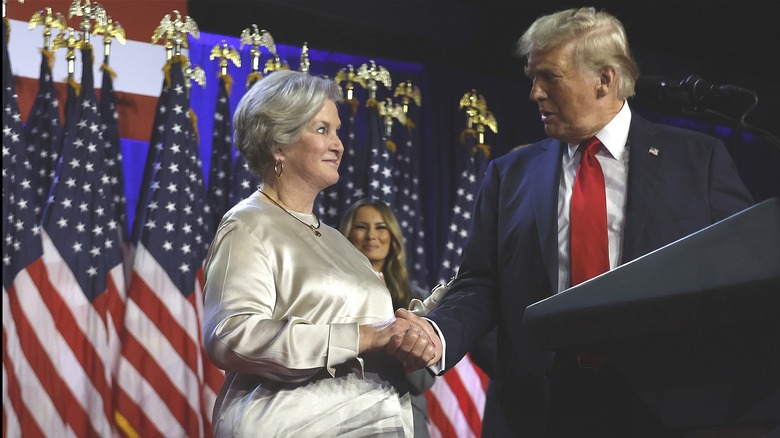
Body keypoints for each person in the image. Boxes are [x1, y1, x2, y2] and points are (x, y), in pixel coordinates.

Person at [390, 6, 754, 437]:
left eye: (549, 77)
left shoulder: (699, 161)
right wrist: (439, 334)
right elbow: (480, 282)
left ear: (605, 79)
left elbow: (742, 277)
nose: (535, 93)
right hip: (540, 409)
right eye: (531, 78)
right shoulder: (509, 175)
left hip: (665, 405)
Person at [202, 70, 435, 437]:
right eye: (322, 130)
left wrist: (410, 332)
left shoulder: (339, 242)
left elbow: (371, 333)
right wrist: (363, 336)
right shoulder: (247, 224)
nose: (339, 145)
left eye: (337, 131)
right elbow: (230, 336)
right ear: (279, 144)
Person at [339, 198, 436, 438]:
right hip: (344, 415)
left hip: (406, 418)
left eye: (381, 227)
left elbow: (422, 381)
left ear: (392, 236)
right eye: (361, 226)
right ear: (346, 235)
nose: (371, 235)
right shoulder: (329, 295)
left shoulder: (417, 300)